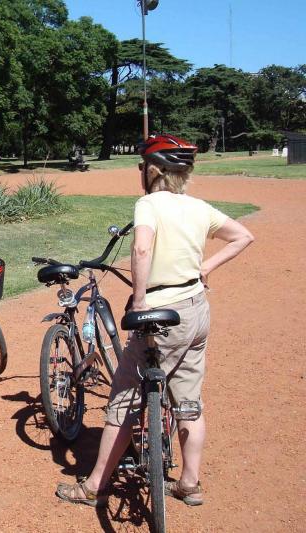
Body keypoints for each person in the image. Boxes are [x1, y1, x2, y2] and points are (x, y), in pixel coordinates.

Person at [55, 134, 254, 508]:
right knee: (189, 400)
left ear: (152, 170)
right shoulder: (198, 207)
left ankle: (94, 485)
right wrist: (205, 267)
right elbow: (243, 236)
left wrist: (141, 300)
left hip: (161, 311)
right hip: (195, 309)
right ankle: (189, 483)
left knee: (125, 397)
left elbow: (142, 247)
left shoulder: (148, 203)